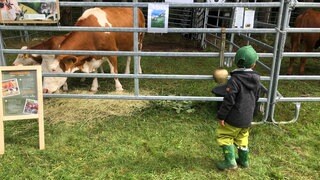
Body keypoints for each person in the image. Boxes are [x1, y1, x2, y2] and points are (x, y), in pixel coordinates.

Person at [215, 45, 261, 171]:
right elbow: (256, 97)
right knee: (242, 138)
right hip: (247, 118)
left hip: (234, 118)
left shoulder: (235, 80)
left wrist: (221, 116)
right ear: (254, 64)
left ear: (236, 61)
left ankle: (230, 162)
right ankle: (244, 161)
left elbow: (229, 100)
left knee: (225, 136)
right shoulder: (257, 80)